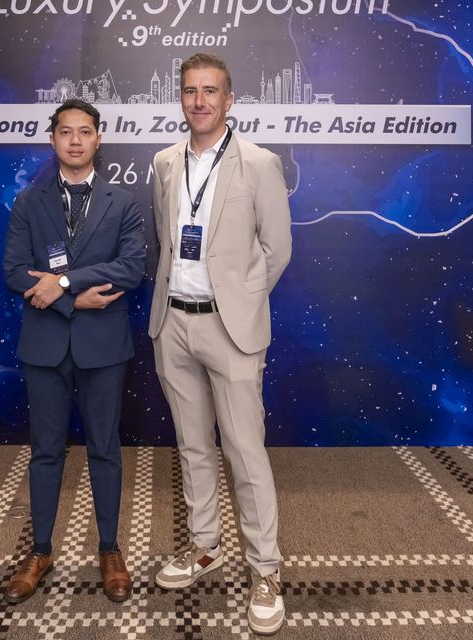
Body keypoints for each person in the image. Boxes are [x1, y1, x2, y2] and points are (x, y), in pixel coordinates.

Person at [148, 53, 292, 635]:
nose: (199, 101)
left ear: (229, 100)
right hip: (173, 324)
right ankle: (205, 546)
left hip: (231, 329)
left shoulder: (259, 163)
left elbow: (277, 249)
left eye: (210, 91)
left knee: (245, 452)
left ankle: (266, 569)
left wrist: (242, 302)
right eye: (190, 91)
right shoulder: (164, 162)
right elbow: (165, 240)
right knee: (193, 446)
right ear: (180, 99)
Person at [2, 98, 146, 604]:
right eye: (66, 132)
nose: (76, 140)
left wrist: (63, 281)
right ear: (53, 139)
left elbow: (130, 269)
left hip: (103, 346)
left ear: (98, 138)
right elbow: (14, 272)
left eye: (85, 131)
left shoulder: (124, 202)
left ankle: (109, 550)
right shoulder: (29, 201)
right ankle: (40, 551)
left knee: (105, 448)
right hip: (45, 346)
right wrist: (74, 300)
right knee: (45, 451)